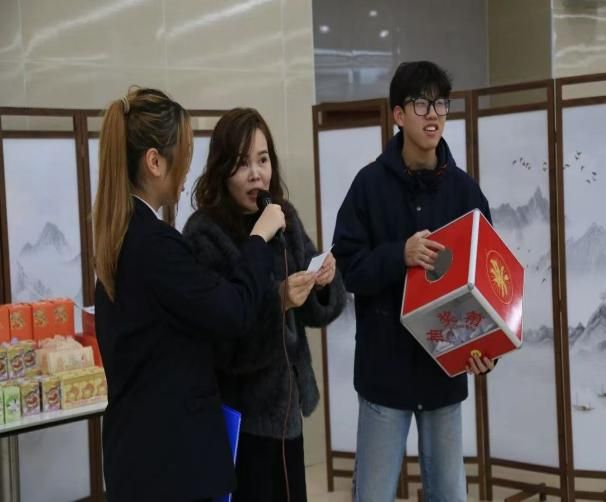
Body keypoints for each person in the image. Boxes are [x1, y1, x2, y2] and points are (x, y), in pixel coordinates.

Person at [93, 88, 285, 502]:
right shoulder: (157, 246)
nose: (186, 169)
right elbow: (232, 312)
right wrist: (258, 239)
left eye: (262, 159)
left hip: (141, 455)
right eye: (183, 154)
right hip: (168, 461)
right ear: (154, 162)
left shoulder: (123, 236)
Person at [332, 61, 495, 502]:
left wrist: (486, 351)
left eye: (441, 104)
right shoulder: (368, 185)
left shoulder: (465, 192)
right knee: (373, 494)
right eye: (422, 104)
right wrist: (398, 255)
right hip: (384, 372)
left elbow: (486, 282)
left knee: (450, 494)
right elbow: (348, 267)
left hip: (443, 373)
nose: (433, 114)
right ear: (398, 115)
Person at [183, 107, 345, 502]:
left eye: (263, 159)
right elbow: (222, 341)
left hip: (288, 412)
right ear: (221, 170)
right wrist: (279, 301)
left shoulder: (282, 215)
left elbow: (316, 311)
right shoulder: (204, 235)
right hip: (243, 417)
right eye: (242, 164)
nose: (257, 174)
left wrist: (323, 280)